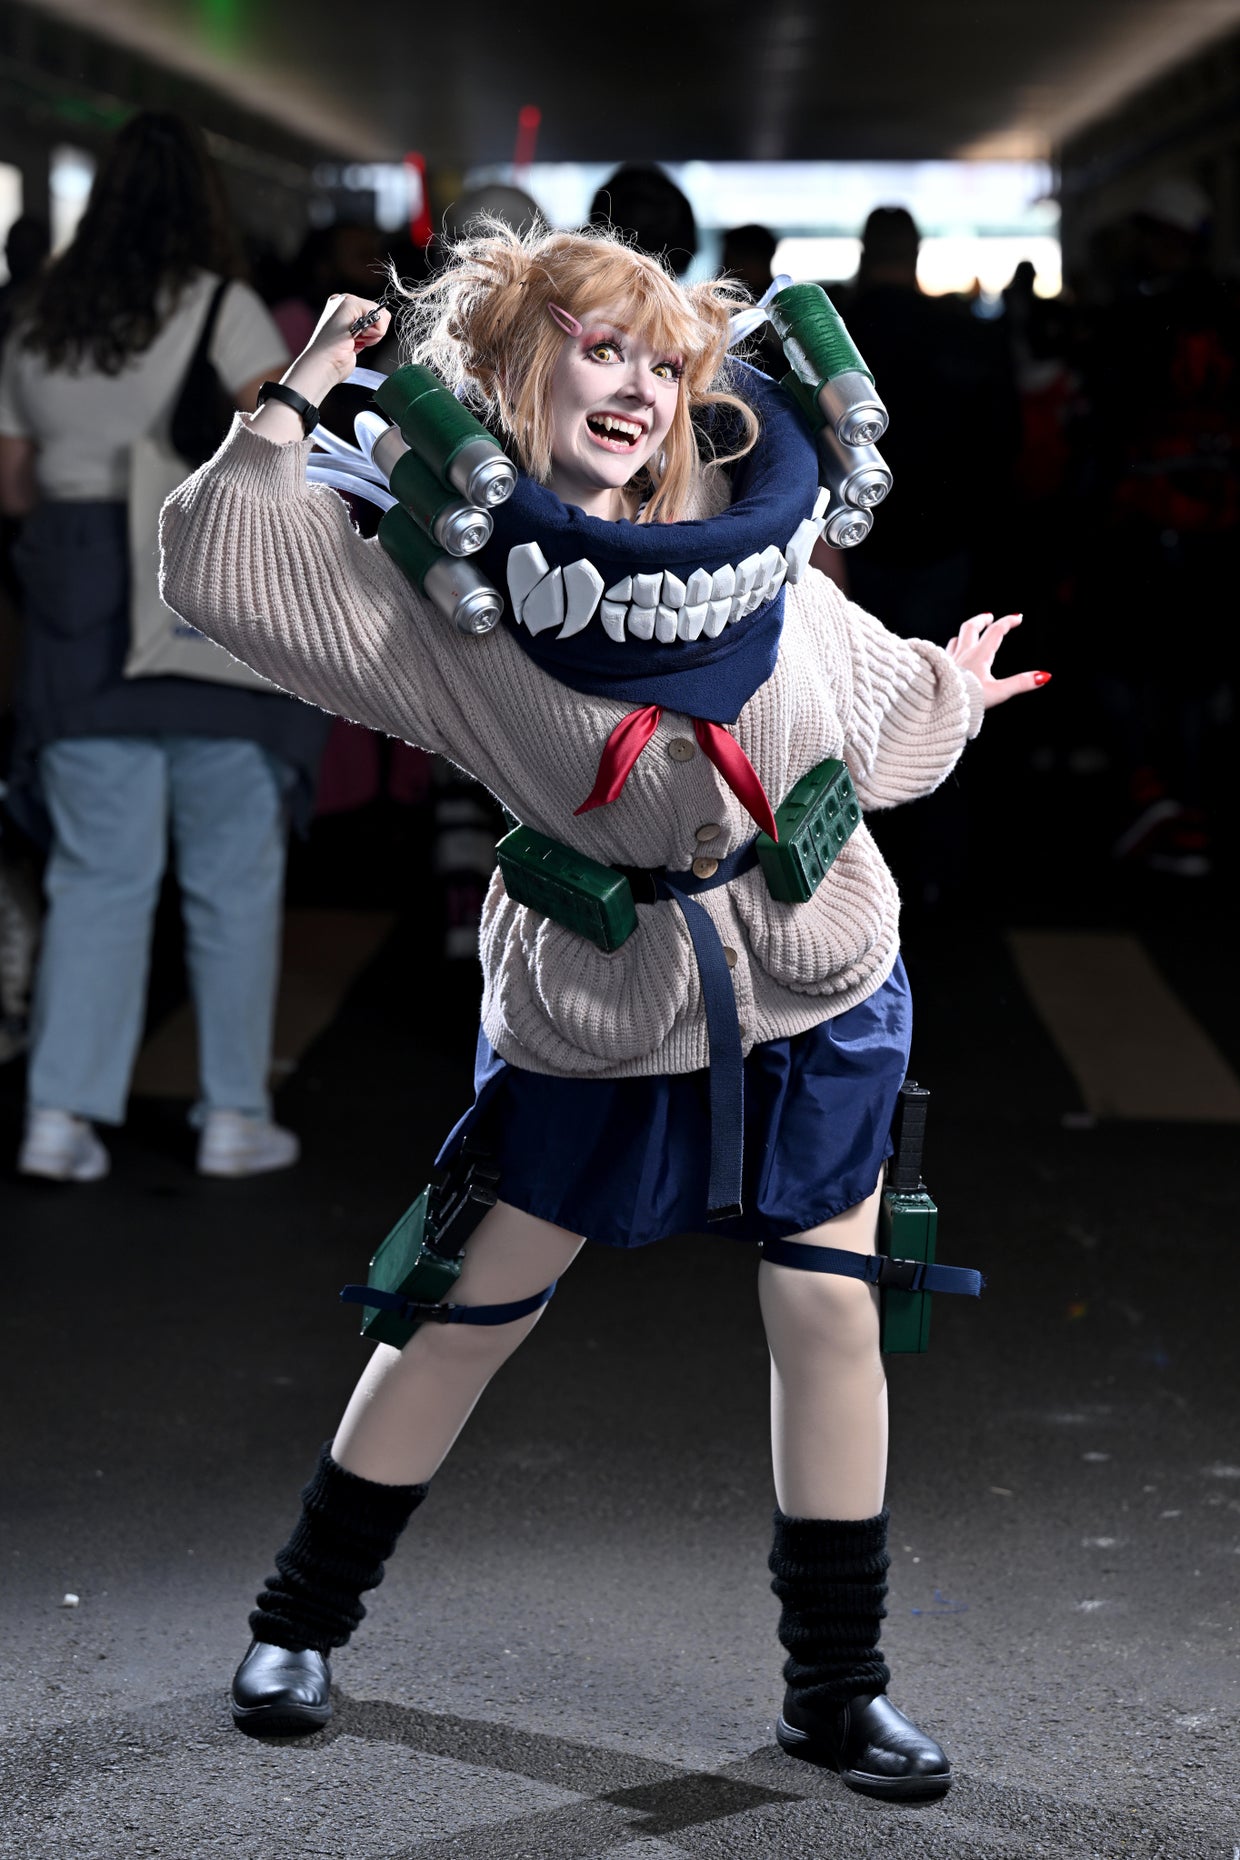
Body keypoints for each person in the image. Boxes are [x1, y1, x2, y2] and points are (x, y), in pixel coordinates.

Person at [159, 222, 1047, 1801]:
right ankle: (300, 1619)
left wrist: (949, 701)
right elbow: (222, 569)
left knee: (834, 1307)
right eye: (598, 346)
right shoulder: (446, 592)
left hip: (814, 974)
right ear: (518, 364)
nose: (636, 384)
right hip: (602, 998)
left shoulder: (748, 533)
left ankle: (837, 1690)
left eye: (661, 356)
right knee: (465, 1313)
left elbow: (864, 714)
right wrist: (293, 398)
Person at [0, 111, 330, 1181]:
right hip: (197, 603)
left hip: (75, 607)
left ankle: (61, 1117)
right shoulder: (220, 307)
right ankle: (232, 1115)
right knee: (233, 871)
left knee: (97, 874)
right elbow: (281, 442)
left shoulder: (38, 319)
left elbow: (13, 483)